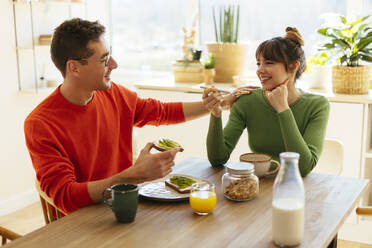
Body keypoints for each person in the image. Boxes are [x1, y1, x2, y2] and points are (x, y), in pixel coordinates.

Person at [24, 18, 224, 214]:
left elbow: (160, 112)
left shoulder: (114, 94)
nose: (114, 64)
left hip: (124, 210)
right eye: (104, 59)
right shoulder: (41, 124)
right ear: (74, 68)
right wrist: (133, 176)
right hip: (81, 225)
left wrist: (212, 104)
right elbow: (66, 197)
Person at [206, 27, 330, 177]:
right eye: (258, 63)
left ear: (293, 67)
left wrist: (283, 109)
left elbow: (302, 168)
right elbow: (218, 159)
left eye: (269, 63)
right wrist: (216, 114)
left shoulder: (317, 105)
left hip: (295, 188)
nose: (260, 70)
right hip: (257, 185)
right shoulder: (247, 100)